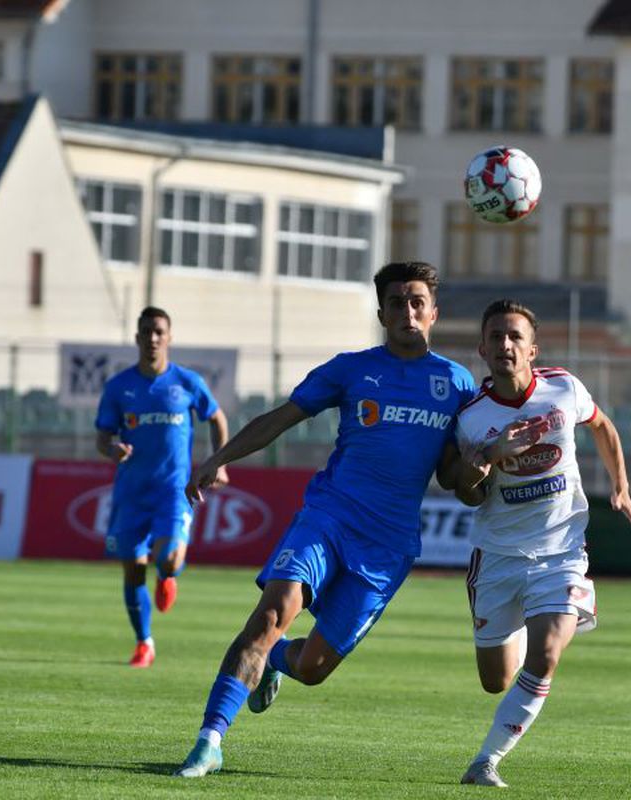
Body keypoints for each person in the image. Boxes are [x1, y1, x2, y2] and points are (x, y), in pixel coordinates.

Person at [174, 261, 482, 778]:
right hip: (329, 518)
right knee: (273, 612)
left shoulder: (457, 383)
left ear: (433, 312)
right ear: (381, 312)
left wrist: (479, 469)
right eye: (397, 302)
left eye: (417, 302)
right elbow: (282, 417)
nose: (408, 311)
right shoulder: (351, 369)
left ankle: (275, 662)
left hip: (388, 547)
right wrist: (219, 458)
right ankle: (209, 741)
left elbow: (455, 478)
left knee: (313, 669)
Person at [452, 299, 631, 788]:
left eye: (515, 336)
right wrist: (491, 457)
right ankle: (518, 629)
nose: (505, 345)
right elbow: (466, 494)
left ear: (532, 349)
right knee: (495, 680)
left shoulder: (564, 388)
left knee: (547, 656)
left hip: (561, 552)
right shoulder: (473, 419)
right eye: (495, 336)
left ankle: (486, 762)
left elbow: (602, 425)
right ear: (482, 348)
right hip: (497, 556)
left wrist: (620, 486)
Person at [95, 306, 229, 668]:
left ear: (168, 337)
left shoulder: (186, 383)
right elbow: (102, 437)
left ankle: (168, 577)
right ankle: (144, 643)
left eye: (159, 332)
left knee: (169, 558)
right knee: (133, 568)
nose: (152, 338)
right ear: (137, 338)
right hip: (131, 493)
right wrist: (112, 448)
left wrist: (219, 461)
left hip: (173, 490)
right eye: (146, 332)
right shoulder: (119, 387)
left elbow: (216, 417)